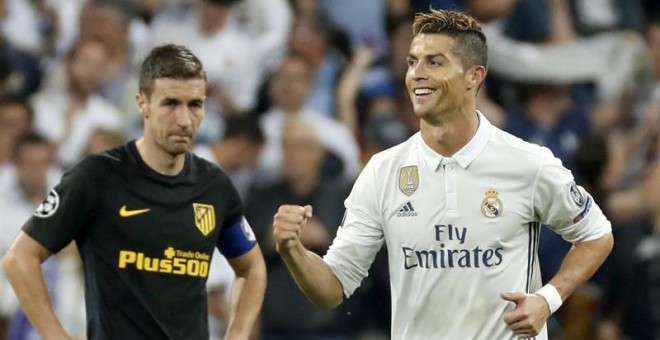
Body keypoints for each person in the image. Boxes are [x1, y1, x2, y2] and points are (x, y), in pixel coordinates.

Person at [272, 9, 613, 340]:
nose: (417, 73)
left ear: (473, 76)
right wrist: (294, 251)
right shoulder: (383, 171)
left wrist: (548, 298)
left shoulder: (528, 163)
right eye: (412, 62)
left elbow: (596, 235)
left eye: (434, 62)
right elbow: (332, 289)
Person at [2, 44, 266, 339]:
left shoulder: (215, 187)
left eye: (195, 104)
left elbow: (252, 267)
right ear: (143, 103)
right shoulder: (97, 176)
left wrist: (238, 333)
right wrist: (56, 336)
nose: (184, 119)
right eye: (170, 104)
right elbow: (19, 258)